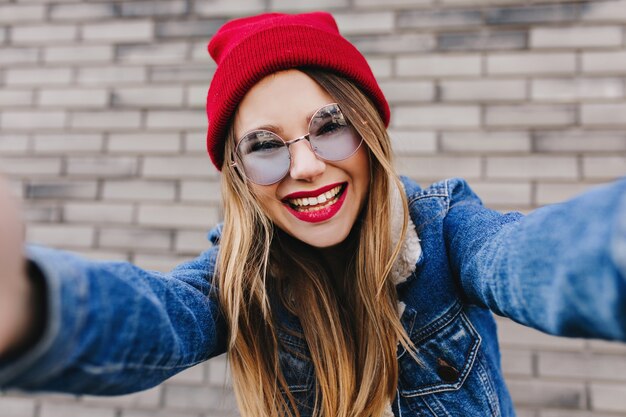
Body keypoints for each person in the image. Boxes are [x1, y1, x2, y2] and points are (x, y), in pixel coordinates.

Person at [0, 11, 625, 417]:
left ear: (370, 134)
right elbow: (159, 318)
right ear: (239, 174)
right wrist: (29, 304)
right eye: (266, 145)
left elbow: (535, 256)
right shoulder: (239, 277)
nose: (304, 167)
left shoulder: (446, 232)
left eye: (330, 128)